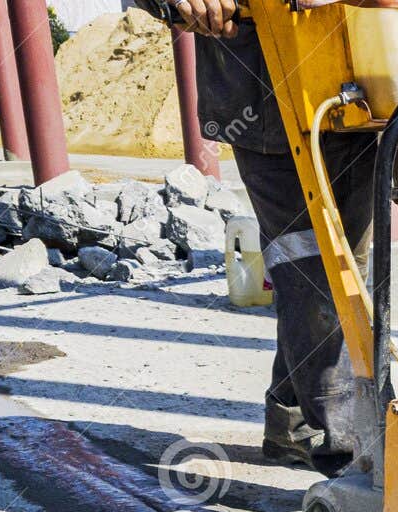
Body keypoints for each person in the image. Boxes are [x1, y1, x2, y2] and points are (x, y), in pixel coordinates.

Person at [141, 0, 375, 473]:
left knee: (348, 264)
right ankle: (351, 453)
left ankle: (292, 419)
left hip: (362, 81)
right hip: (264, 92)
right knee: (315, 265)